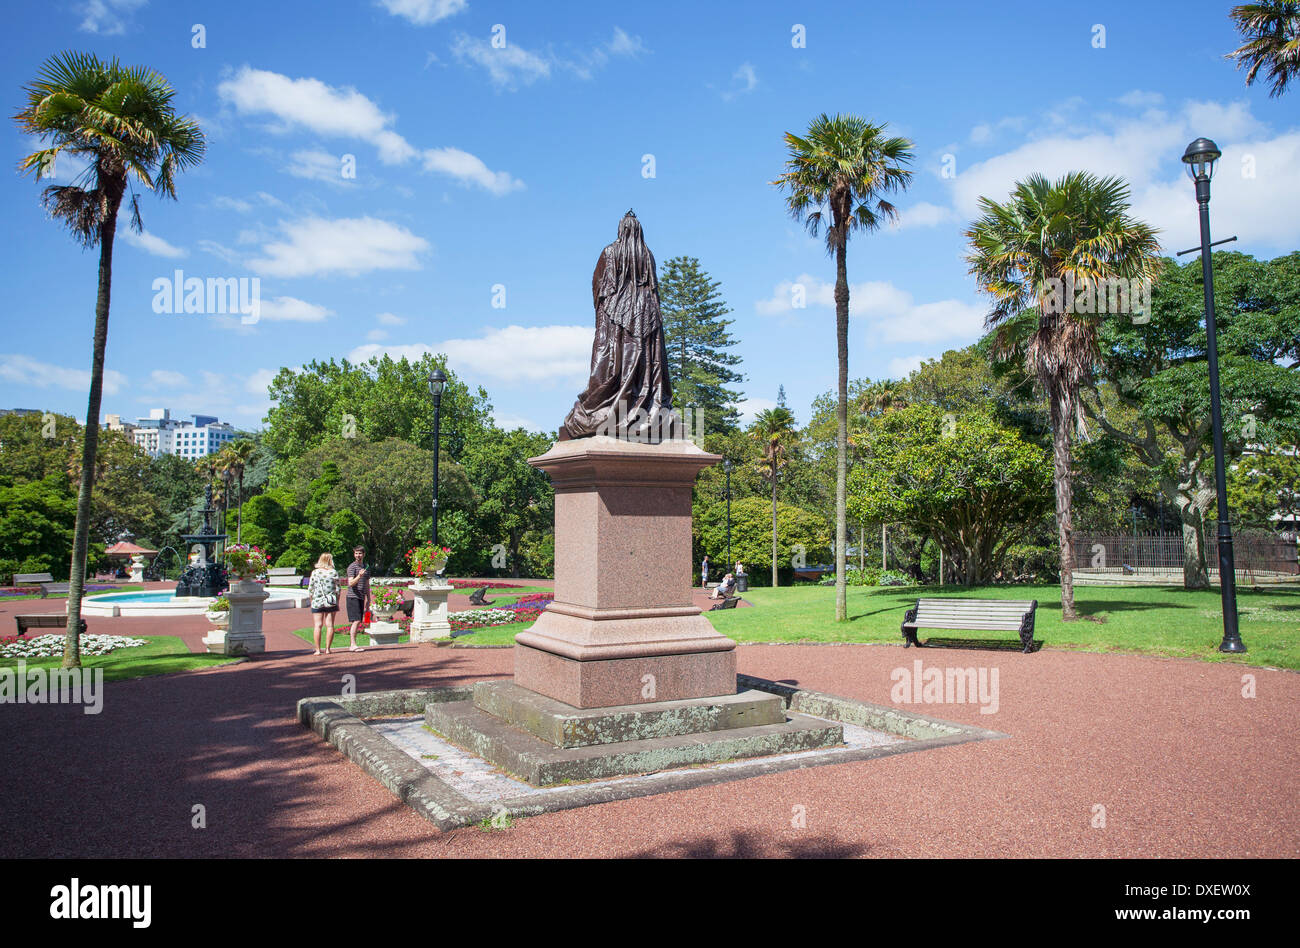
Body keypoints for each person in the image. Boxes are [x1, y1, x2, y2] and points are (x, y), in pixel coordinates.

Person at [308, 553, 340, 655]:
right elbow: (338, 589)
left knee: (318, 625)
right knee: (330, 625)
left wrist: (311, 600)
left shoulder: (315, 572)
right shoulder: (333, 572)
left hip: (317, 601)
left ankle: (317, 650)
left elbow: (310, 589)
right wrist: (337, 600)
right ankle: (328, 649)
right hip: (330, 601)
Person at [343, 545, 372, 652]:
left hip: (361, 596)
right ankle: (353, 644)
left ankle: (353, 644)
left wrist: (368, 599)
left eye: (360, 553)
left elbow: (367, 584)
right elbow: (350, 583)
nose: (358, 555)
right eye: (356, 553)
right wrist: (359, 576)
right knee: (356, 620)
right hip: (352, 596)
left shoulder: (366, 567)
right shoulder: (352, 567)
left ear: (364, 554)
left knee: (358, 620)